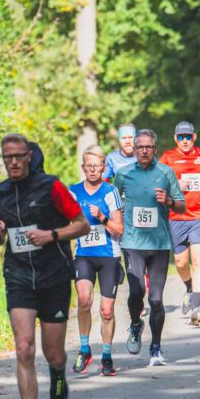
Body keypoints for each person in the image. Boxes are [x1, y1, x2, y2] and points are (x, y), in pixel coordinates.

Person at [0, 133, 90, 399]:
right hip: (18, 277)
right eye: (8, 158)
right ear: (3, 160)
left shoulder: (51, 186)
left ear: (29, 156)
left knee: (53, 352)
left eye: (19, 156)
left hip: (54, 276)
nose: (14, 162)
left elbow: (82, 225)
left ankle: (58, 372)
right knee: (23, 348)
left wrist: (52, 235)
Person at [114, 129, 185, 366]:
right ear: (134, 150)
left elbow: (182, 206)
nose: (144, 150)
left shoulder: (166, 172)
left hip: (159, 244)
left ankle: (156, 347)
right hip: (133, 243)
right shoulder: (123, 174)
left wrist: (168, 201)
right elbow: (113, 202)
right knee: (136, 293)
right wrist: (118, 215)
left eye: (148, 147)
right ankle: (136, 324)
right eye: (140, 147)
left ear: (155, 149)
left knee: (156, 299)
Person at [69, 145, 125, 377]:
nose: (93, 170)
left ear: (104, 167)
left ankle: (107, 356)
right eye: (88, 166)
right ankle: (84, 350)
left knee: (107, 310)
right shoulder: (73, 192)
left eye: (97, 166)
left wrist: (102, 217)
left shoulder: (110, 192)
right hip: (84, 255)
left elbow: (119, 230)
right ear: (83, 167)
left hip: (108, 255)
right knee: (83, 300)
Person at [159, 121, 200, 325]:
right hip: (176, 217)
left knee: (199, 259)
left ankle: (196, 307)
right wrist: (175, 184)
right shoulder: (167, 158)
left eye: (188, 136)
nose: (185, 140)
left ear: (194, 137)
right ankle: (189, 287)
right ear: (176, 138)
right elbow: (157, 183)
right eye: (181, 137)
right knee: (181, 263)